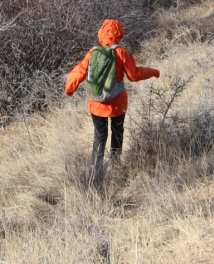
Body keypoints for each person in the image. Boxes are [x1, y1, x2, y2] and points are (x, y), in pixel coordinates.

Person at [65, 19, 159, 173]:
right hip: (117, 103)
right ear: (119, 34)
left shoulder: (93, 52)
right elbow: (134, 75)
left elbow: (79, 71)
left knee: (100, 136)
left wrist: (70, 88)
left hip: (96, 104)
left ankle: (96, 171)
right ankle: (116, 168)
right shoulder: (121, 52)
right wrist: (154, 72)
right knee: (117, 133)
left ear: (101, 33)